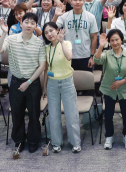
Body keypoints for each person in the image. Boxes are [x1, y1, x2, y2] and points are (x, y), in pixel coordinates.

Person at [0, 13, 46, 154]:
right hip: (16, 82)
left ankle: (34, 140)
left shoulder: (39, 43)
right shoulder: (11, 39)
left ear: (36, 26)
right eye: (26, 22)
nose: (29, 25)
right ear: (21, 23)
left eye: (33, 23)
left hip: (32, 83)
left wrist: (29, 82)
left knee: (34, 114)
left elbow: (42, 66)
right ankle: (19, 140)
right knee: (17, 113)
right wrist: (4, 33)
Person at [42, 22, 81, 153]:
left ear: (57, 30)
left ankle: (75, 142)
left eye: (51, 31)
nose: (49, 34)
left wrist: (62, 42)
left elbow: (69, 56)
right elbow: (46, 69)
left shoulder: (67, 43)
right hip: (52, 84)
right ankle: (56, 142)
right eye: (46, 32)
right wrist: (44, 88)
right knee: (53, 115)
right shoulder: (46, 48)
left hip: (66, 82)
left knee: (71, 114)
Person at [94, 29, 126, 150]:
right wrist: (101, 47)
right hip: (109, 89)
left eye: (117, 39)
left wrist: (121, 82)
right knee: (108, 114)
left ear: (121, 40)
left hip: (124, 89)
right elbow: (97, 60)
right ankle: (109, 136)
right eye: (112, 40)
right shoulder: (107, 54)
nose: (115, 42)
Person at [54, 0, 99, 72]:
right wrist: (56, 16)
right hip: (68, 54)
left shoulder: (90, 17)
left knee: (84, 81)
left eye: (80, 0)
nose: (77, 2)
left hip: (85, 55)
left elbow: (94, 37)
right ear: (71, 1)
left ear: (84, 1)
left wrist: (92, 56)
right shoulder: (64, 16)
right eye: (75, 0)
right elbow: (52, 28)